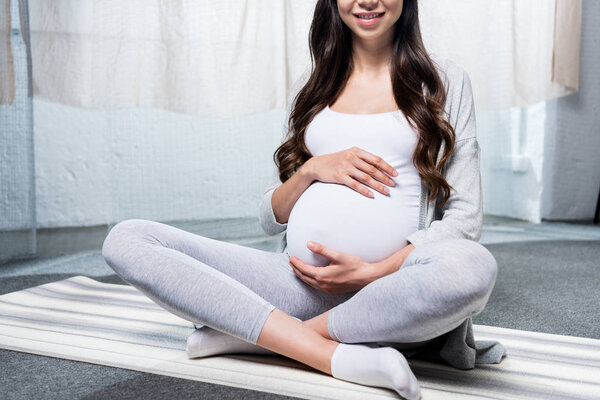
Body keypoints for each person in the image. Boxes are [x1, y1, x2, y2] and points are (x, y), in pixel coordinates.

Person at [102, 1, 505, 399]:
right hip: (295, 285)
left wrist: (372, 272)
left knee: (473, 266)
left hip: (391, 292)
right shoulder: (313, 85)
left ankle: (263, 337)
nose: (367, 1)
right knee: (128, 239)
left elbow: (465, 220)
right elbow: (269, 215)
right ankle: (333, 354)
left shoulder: (444, 81)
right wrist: (311, 170)